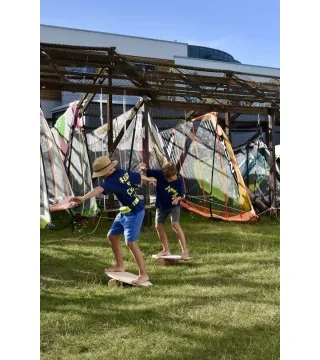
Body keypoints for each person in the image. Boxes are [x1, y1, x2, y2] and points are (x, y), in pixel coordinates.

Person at [71, 155, 157, 284]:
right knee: (112, 236)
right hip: (124, 212)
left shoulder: (111, 181)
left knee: (131, 243)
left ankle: (143, 274)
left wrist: (83, 198)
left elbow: (99, 190)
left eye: (102, 174)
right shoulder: (122, 172)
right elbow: (138, 176)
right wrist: (149, 179)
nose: (101, 176)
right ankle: (119, 265)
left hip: (135, 212)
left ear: (109, 170)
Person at [139, 161, 189, 259]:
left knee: (175, 224)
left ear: (175, 174)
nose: (169, 180)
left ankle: (184, 251)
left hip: (173, 206)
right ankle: (166, 250)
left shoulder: (179, 181)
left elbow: (182, 195)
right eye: (167, 178)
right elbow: (145, 169)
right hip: (161, 206)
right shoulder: (160, 174)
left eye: (171, 178)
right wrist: (142, 166)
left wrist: (177, 199)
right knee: (158, 226)